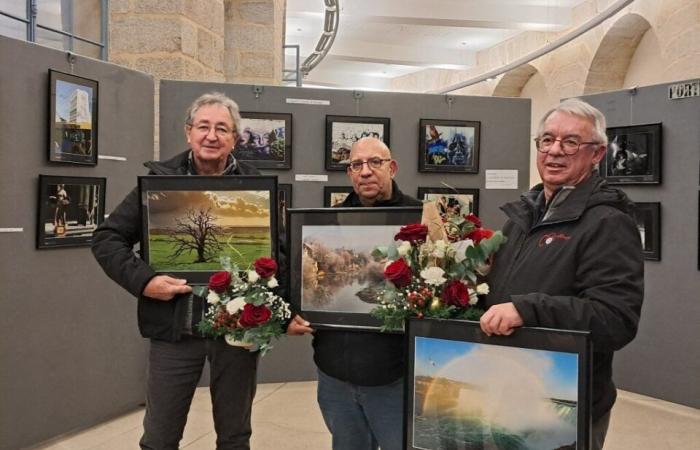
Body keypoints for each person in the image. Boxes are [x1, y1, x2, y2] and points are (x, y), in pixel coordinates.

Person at [91, 92, 261, 450]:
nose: (211, 136)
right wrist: (145, 280)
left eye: (221, 128)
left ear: (234, 138)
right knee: (160, 437)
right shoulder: (158, 183)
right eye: (203, 126)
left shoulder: (256, 189)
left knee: (235, 436)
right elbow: (107, 238)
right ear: (188, 132)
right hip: (175, 329)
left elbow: (276, 253)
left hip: (235, 333)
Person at [480, 98, 644, 450]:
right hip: (510, 396)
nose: (555, 150)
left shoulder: (608, 222)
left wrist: (527, 310)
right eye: (547, 140)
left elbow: (615, 320)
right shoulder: (522, 216)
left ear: (597, 154)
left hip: (564, 407)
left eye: (570, 142)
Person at [287, 137, 421, 450]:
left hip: (394, 377)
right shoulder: (328, 222)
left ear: (393, 167)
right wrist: (293, 312)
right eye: (356, 165)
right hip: (335, 375)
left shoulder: (420, 220)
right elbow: (298, 277)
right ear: (349, 173)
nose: (365, 172)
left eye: (375, 162)